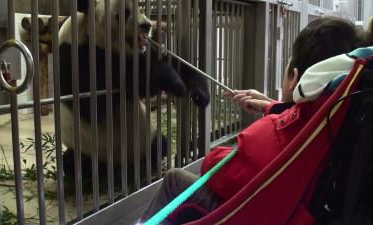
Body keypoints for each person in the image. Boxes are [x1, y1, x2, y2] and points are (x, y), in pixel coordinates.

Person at [138, 17, 373, 225]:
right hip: (293, 210)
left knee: (174, 179)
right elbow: (306, 121)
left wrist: (272, 121)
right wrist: (275, 107)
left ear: (294, 77)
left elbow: (216, 168)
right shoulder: (344, 119)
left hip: (251, 215)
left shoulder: (270, 131)